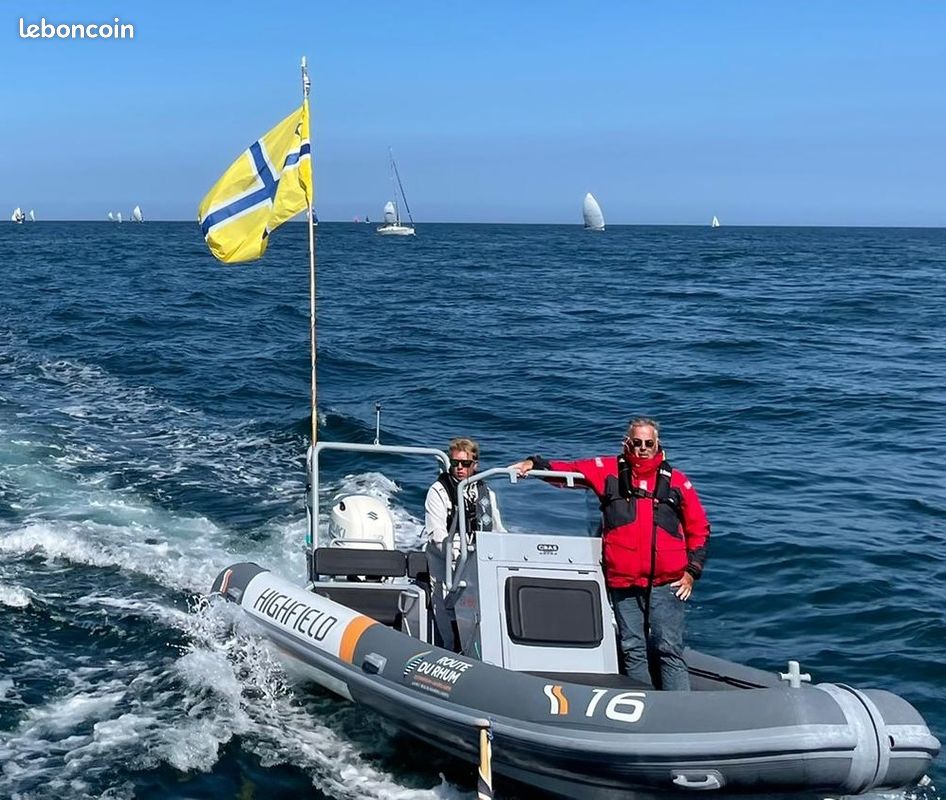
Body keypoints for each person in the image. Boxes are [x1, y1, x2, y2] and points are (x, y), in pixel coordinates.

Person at [510, 418, 709, 690]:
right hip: (623, 581)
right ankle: (644, 707)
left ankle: (680, 711)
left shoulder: (677, 481)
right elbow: (569, 471)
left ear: (658, 445)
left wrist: (691, 573)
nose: (642, 449)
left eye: (648, 443)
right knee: (632, 648)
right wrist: (535, 464)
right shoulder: (607, 471)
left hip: (668, 582)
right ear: (626, 443)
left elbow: (699, 528)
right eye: (636, 443)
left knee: (668, 649)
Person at [424, 436, 503, 651]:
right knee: (442, 599)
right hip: (446, 556)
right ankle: (448, 647)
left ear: (475, 465)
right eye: (455, 463)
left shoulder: (486, 493)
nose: (459, 468)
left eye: (465, 464)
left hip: (478, 554)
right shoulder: (438, 491)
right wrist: (458, 555)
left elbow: (496, 528)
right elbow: (437, 534)